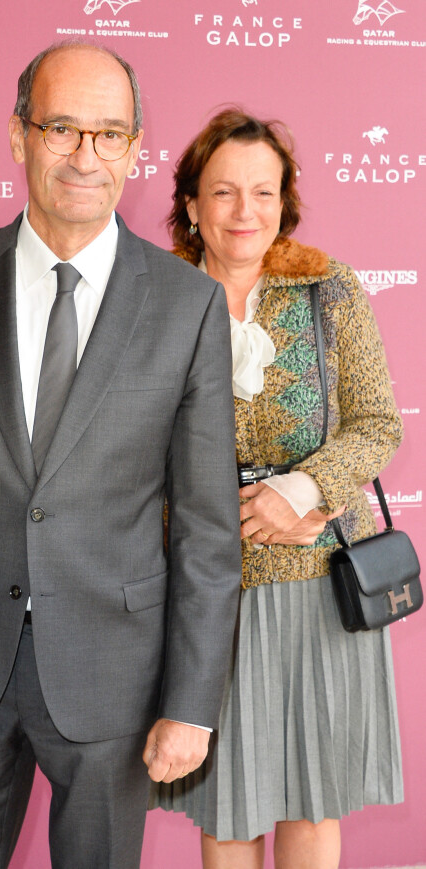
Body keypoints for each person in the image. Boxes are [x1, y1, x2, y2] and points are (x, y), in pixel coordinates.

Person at [0, 44, 242, 868]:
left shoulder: (189, 307)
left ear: (137, 150)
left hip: (116, 682)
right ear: (18, 135)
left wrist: (192, 704)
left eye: (109, 134)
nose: (84, 156)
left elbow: (209, 531)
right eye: (62, 127)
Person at [151, 108, 404, 869]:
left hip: (321, 582)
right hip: (205, 591)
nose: (244, 211)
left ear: (285, 200)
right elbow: (122, 451)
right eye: (223, 192)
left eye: (263, 192)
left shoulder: (331, 289)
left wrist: (305, 489)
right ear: (191, 204)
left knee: (312, 796)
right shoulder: (151, 303)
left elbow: (377, 424)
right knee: (227, 801)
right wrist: (204, 514)